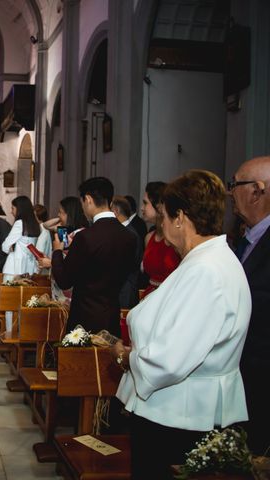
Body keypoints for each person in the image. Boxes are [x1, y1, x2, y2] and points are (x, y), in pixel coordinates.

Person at [112, 170, 252, 479]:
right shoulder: (202, 262)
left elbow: (170, 360)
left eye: (163, 215)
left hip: (178, 415)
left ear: (180, 217)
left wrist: (126, 357)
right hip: (179, 411)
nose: (160, 224)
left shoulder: (206, 271)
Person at [47, 177, 137, 337]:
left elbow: (64, 280)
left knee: (81, 362)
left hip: (84, 318)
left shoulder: (86, 237)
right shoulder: (129, 236)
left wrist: (57, 252)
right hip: (111, 315)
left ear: (88, 199)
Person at [229, 155, 270, 455]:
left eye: (235, 184)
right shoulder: (241, 239)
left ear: (257, 190)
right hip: (239, 375)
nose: (231, 191)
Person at [1, 195, 41, 331]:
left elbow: (5, 245)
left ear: (19, 209)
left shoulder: (19, 224)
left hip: (14, 268)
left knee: (10, 305)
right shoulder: (35, 224)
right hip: (29, 268)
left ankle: (9, 333)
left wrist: (10, 246)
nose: (11, 211)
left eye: (13, 208)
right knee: (26, 304)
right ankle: (25, 332)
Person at [141, 181, 181, 296]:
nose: (142, 208)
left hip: (170, 297)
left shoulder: (175, 239)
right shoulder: (149, 237)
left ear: (159, 206)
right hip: (149, 296)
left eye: (145, 203)